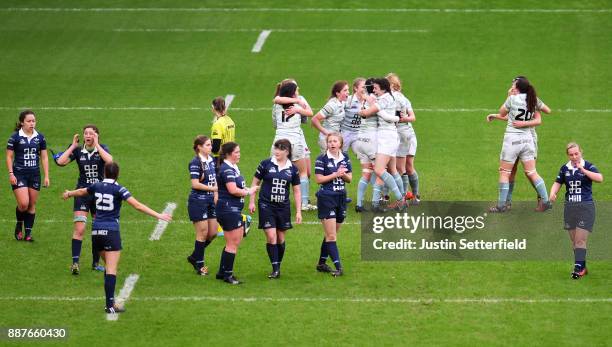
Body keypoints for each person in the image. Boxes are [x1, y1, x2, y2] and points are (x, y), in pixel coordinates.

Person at [62, 162, 172, 313]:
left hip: (96, 232)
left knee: (109, 267)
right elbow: (138, 206)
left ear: (105, 173)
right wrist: (159, 215)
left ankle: (110, 301)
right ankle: (109, 305)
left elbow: (82, 191)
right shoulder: (119, 189)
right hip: (111, 232)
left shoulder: (97, 185)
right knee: (112, 269)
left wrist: (69, 193)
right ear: (117, 174)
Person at [486, 77, 550, 212]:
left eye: (513, 85)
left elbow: (503, 111)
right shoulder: (533, 100)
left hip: (512, 141)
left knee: (504, 172)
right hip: (527, 141)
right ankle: (546, 201)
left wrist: (509, 96)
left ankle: (501, 205)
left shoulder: (512, 98)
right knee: (531, 172)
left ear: (518, 87)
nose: (512, 87)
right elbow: (547, 111)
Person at [55, 125, 113, 274]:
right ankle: (75, 263)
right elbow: (60, 162)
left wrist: (98, 144)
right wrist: (73, 146)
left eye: (91, 133)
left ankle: (95, 263)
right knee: (79, 229)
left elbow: (110, 161)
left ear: (97, 136)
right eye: (86, 133)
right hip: (82, 194)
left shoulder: (102, 149)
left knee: (98, 230)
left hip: (98, 195)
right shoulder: (77, 150)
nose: (88, 135)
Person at [248, 139, 302, 279]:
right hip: (266, 205)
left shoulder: (293, 169)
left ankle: (277, 264)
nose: (276, 151)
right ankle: (275, 269)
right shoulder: (265, 164)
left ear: (287, 151)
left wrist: (298, 211)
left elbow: (296, 191)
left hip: (283, 207)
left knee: (281, 238)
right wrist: (252, 202)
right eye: (275, 148)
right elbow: (255, 182)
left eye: (280, 149)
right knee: (271, 236)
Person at [549, 143, 603, 279]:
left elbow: (599, 178)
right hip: (570, 208)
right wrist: (553, 193)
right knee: (574, 242)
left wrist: (583, 170)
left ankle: (577, 269)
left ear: (581, 153)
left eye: (576, 154)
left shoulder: (589, 166)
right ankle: (582, 266)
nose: (574, 157)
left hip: (586, 208)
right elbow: (558, 182)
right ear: (568, 155)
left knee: (580, 240)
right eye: (571, 154)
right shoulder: (564, 168)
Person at [358, 78, 406, 211]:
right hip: (388, 137)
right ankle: (377, 203)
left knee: (379, 170)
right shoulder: (384, 97)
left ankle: (400, 199)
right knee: (392, 170)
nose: (374, 90)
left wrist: (366, 105)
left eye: (376, 88)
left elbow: (369, 113)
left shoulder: (385, 99)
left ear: (383, 88)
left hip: (387, 138)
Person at [215, 142, 258, 284]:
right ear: (228, 154)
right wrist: (248, 191)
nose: (239, 154)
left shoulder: (232, 167)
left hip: (231, 209)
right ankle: (228, 275)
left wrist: (246, 188)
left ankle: (222, 272)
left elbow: (237, 185)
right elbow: (233, 189)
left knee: (233, 241)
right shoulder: (227, 169)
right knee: (233, 242)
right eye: (236, 152)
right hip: (228, 209)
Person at [272, 80, 316, 211]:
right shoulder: (299, 101)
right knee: (302, 172)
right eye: (296, 88)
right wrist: (298, 107)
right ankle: (304, 203)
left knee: (275, 171)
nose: (298, 90)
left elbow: (274, 121)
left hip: (279, 139)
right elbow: (310, 113)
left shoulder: (277, 103)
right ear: (292, 92)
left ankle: (274, 200)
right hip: (295, 140)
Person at [6, 110, 49, 242]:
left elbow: (44, 157)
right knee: (24, 204)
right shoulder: (15, 138)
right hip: (19, 174)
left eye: (33, 121)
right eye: (29, 121)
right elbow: (9, 156)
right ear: (22, 122)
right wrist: (11, 173)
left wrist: (47, 175)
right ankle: (19, 224)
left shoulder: (40, 137)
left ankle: (28, 234)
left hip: (34, 174)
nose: (32, 123)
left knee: (32, 204)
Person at [314, 133, 352, 277]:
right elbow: (319, 179)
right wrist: (335, 174)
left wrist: (342, 175)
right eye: (330, 141)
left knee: (332, 234)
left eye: (335, 141)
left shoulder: (345, 158)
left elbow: (349, 179)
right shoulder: (321, 159)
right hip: (327, 198)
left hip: (341, 198)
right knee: (331, 236)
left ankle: (321, 263)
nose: (332, 143)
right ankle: (339, 267)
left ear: (340, 144)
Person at [186, 136, 218, 276]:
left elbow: (215, 179)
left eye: (210, 145)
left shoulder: (212, 160)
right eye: (207, 145)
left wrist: (215, 194)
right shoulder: (195, 162)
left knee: (213, 233)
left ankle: (194, 256)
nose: (210, 147)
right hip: (198, 201)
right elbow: (195, 184)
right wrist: (213, 189)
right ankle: (199, 265)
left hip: (210, 200)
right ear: (199, 147)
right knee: (202, 233)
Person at [387, 73, 419, 203]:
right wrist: (404, 118)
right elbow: (412, 117)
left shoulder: (391, 98)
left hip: (400, 135)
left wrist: (398, 119)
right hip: (409, 133)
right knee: (409, 166)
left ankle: (404, 199)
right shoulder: (404, 98)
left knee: (400, 168)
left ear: (392, 85)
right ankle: (416, 197)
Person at [311, 80, 349, 153]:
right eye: (345, 90)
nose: (348, 92)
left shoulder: (342, 103)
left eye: (348, 90)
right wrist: (325, 132)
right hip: (327, 139)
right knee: (329, 162)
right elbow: (314, 119)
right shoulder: (332, 105)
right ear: (338, 93)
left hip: (335, 138)